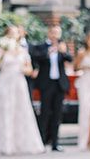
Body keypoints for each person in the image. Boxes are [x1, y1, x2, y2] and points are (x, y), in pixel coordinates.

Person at [0, 27, 44, 155]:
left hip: (18, 82)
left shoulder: (23, 51)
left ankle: (20, 143)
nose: (12, 36)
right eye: (10, 33)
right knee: (4, 110)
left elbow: (30, 70)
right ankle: (4, 144)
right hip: (4, 82)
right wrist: (3, 55)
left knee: (20, 110)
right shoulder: (0, 49)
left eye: (15, 33)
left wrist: (21, 68)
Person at [29, 21, 74, 152]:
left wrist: (63, 52)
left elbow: (70, 59)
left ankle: (55, 142)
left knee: (57, 114)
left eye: (57, 33)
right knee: (45, 113)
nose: (55, 35)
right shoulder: (42, 47)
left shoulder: (62, 46)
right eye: (53, 33)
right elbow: (35, 57)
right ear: (49, 33)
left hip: (59, 84)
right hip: (46, 84)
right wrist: (48, 52)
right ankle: (42, 142)